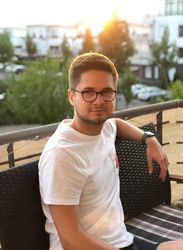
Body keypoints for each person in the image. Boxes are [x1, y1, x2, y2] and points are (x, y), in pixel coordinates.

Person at [38, 52, 169, 250]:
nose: (99, 101)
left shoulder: (105, 126)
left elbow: (116, 123)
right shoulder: (63, 154)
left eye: (107, 92)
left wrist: (148, 138)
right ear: (72, 96)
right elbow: (71, 240)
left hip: (122, 240)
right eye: (88, 92)